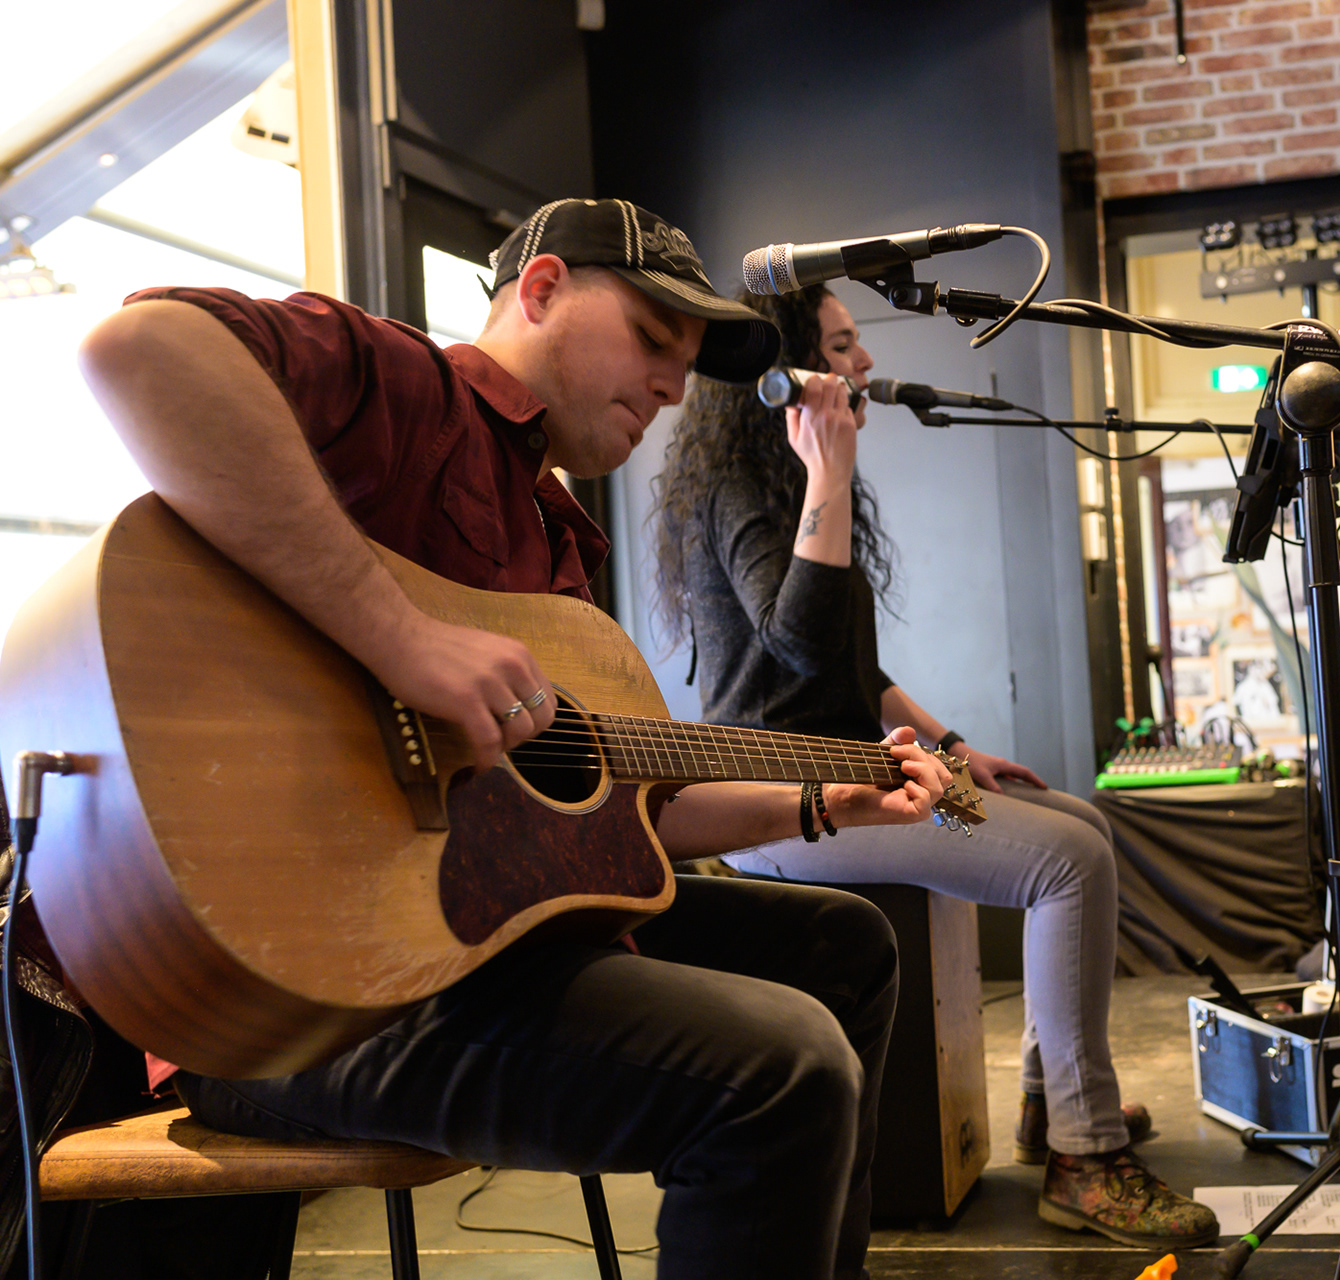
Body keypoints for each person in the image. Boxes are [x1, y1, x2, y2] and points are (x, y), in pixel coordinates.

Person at [75, 198, 958, 1280]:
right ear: (540, 289)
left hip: (487, 943)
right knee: (782, 1065)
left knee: (847, 946)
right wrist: (402, 639)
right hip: (310, 994)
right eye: (653, 340)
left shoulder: (555, 539)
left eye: (686, 365)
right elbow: (139, 348)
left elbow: (631, 810)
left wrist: (821, 800)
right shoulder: (401, 385)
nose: (674, 388)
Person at [651, 284, 1220, 1250]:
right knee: (1067, 862)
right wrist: (830, 471)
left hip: (860, 776)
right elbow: (799, 644)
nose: (865, 362)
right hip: (787, 808)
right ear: (790, 371)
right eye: (842, 345)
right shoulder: (745, 486)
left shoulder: (789, 479)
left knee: (1083, 824)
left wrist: (954, 749)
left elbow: (853, 671)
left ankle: (1051, 1102)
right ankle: (1084, 1159)